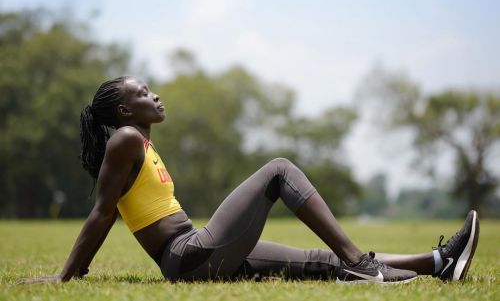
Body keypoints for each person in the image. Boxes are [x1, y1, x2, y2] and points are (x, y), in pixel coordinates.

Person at [21, 76, 480, 285]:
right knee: (278, 170)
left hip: (200, 249)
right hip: (188, 257)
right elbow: (102, 213)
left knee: (321, 262)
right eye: (142, 94)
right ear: (124, 111)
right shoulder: (124, 139)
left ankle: (438, 262)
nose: (154, 95)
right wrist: (66, 277)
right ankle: (361, 262)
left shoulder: (141, 143)